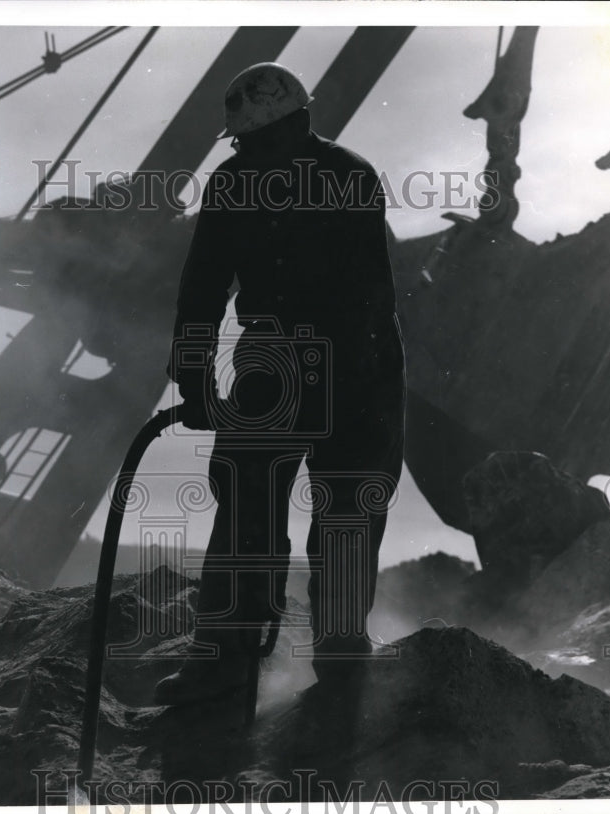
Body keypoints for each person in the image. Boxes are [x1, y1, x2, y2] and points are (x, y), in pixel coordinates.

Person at [155, 62, 405, 705]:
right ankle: (310, 660)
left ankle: (253, 660)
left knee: (275, 506)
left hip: (313, 365)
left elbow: (204, 289)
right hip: (328, 365)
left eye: (245, 139)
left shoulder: (249, 178)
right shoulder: (344, 173)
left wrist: (196, 378)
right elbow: (204, 288)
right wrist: (193, 376)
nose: (244, 150)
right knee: (286, 505)